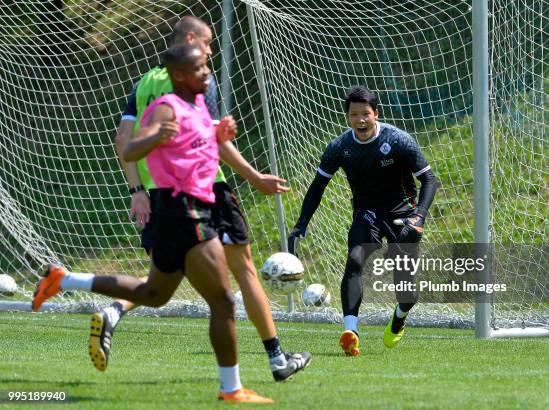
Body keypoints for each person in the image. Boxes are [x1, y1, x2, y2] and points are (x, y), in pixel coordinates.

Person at [33, 43, 273, 403]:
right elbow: (129, 148)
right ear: (178, 75)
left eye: (207, 66)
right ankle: (231, 389)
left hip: (187, 210)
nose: (207, 72)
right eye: (199, 68)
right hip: (183, 210)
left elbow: (194, 148)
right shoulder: (167, 107)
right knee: (223, 301)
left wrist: (218, 136)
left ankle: (64, 279)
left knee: (154, 295)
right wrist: (155, 137)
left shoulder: (197, 105)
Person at [97, 16, 310, 382]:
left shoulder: (147, 82)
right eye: (208, 43)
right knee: (241, 273)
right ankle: (276, 358)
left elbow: (123, 140)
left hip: (162, 195)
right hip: (206, 188)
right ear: (193, 41)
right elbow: (213, 139)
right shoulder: (196, 77)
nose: (210, 52)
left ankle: (114, 308)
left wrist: (137, 192)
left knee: (167, 278)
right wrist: (254, 176)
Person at [287, 86, 437, 355]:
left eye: (365, 114)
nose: (360, 120)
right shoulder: (340, 147)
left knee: (406, 289)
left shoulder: (399, 140)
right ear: (347, 117)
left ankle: (399, 317)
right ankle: (350, 330)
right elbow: (318, 185)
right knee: (355, 259)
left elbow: (428, 179)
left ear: (375, 114)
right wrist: (302, 222)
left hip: (403, 215)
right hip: (366, 213)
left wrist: (419, 216)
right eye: (354, 114)